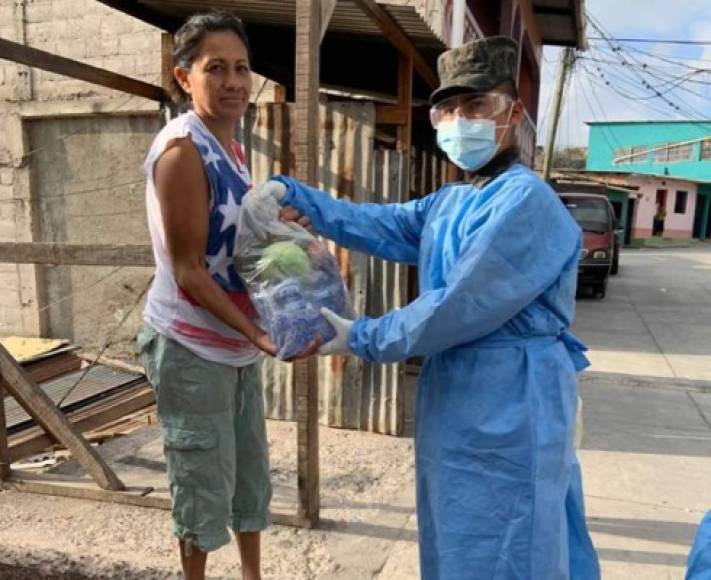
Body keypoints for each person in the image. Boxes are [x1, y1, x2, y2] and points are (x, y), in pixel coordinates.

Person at [260, 36, 601, 579]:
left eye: (477, 106)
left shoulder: (525, 200)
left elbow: (459, 306)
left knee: (515, 543)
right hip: (460, 396)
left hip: (511, 398)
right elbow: (380, 223)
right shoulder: (454, 199)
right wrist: (297, 197)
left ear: (511, 113)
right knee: (458, 536)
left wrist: (360, 336)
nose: (460, 120)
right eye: (449, 109)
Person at [136, 12, 315, 580]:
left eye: (242, 68)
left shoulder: (231, 149)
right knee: (202, 486)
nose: (235, 81)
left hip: (234, 348)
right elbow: (189, 270)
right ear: (183, 77)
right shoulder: (183, 151)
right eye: (216, 68)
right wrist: (261, 335)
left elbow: (235, 245)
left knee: (248, 481)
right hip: (193, 350)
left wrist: (280, 232)